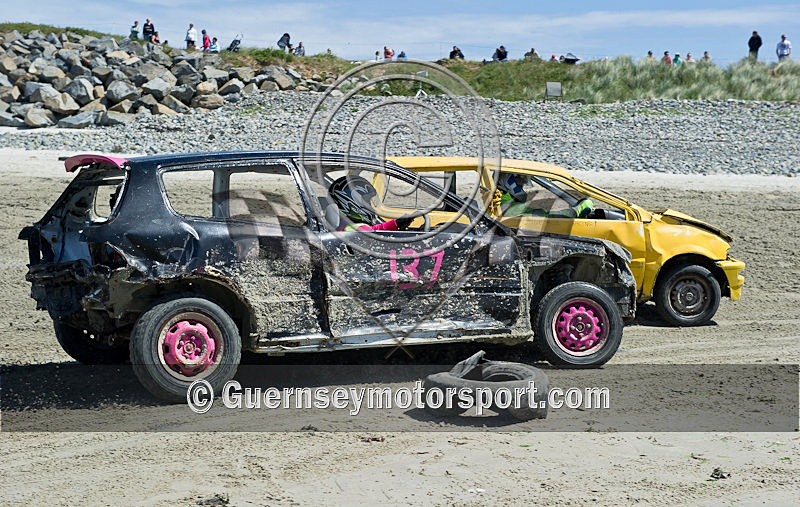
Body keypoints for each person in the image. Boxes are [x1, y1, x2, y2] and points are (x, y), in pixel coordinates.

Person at [328, 176, 413, 232]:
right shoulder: (355, 229)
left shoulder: (348, 226)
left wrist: (396, 223)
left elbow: (374, 230)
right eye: (367, 202)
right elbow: (376, 235)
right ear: (352, 202)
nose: (371, 206)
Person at [497, 173, 593, 218]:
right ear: (509, 183)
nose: (521, 188)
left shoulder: (502, 201)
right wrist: (575, 211)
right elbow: (544, 218)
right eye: (520, 184)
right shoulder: (506, 205)